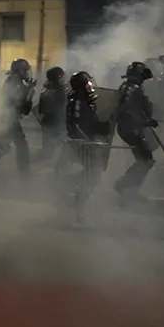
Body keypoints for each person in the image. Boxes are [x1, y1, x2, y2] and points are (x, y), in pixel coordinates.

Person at [64, 71, 112, 222]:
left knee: (92, 173)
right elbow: (76, 124)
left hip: (85, 141)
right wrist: (86, 141)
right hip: (82, 142)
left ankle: (75, 196)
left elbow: (90, 122)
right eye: (88, 83)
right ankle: (76, 201)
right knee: (92, 173)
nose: (90, 86)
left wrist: (104, 126)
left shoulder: (82, 100)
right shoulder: (78, 101)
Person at [114, 61, 158, 204]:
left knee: (144, 159)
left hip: (131, 127)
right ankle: (126, 186)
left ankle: (128, 188)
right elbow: (125, 109)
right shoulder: (131, 88)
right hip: (130, 128)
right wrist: (143, 122)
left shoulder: (129, 87)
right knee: (146, 159)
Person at [0, 58, 37, 178]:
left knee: (4, 145)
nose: (27, 72)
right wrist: (28, 92)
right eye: (25, 70)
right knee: (20, 145)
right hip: (9, 119)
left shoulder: (16, 82)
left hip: (10, 118)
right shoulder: (15, 83)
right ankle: (25, 174)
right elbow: (18, 104)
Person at [37, 66, 68, 163]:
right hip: (54, 123)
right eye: (60, 77)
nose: (63, 79)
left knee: (50, 149)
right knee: (52, 149)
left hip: (50, 122)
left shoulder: (47, 89)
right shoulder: (54, 92)